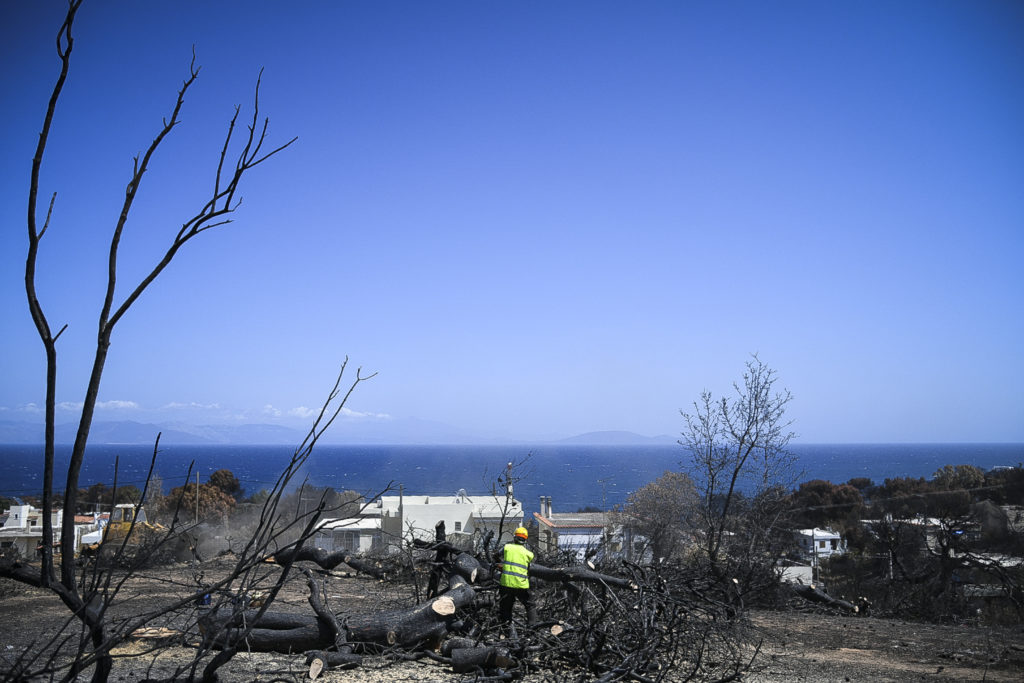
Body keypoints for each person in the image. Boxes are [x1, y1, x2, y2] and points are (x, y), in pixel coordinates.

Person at [498, 526, 537, 627]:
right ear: (525, 540)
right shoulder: (529, 554)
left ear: (515, 537)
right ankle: (532, 628)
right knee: (530, 605)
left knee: (505, 608)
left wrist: (500, 565)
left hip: (506, 584)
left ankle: (506, 630)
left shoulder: (507, 547)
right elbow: (531, 567)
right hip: (521, 585)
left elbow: (496, 556)